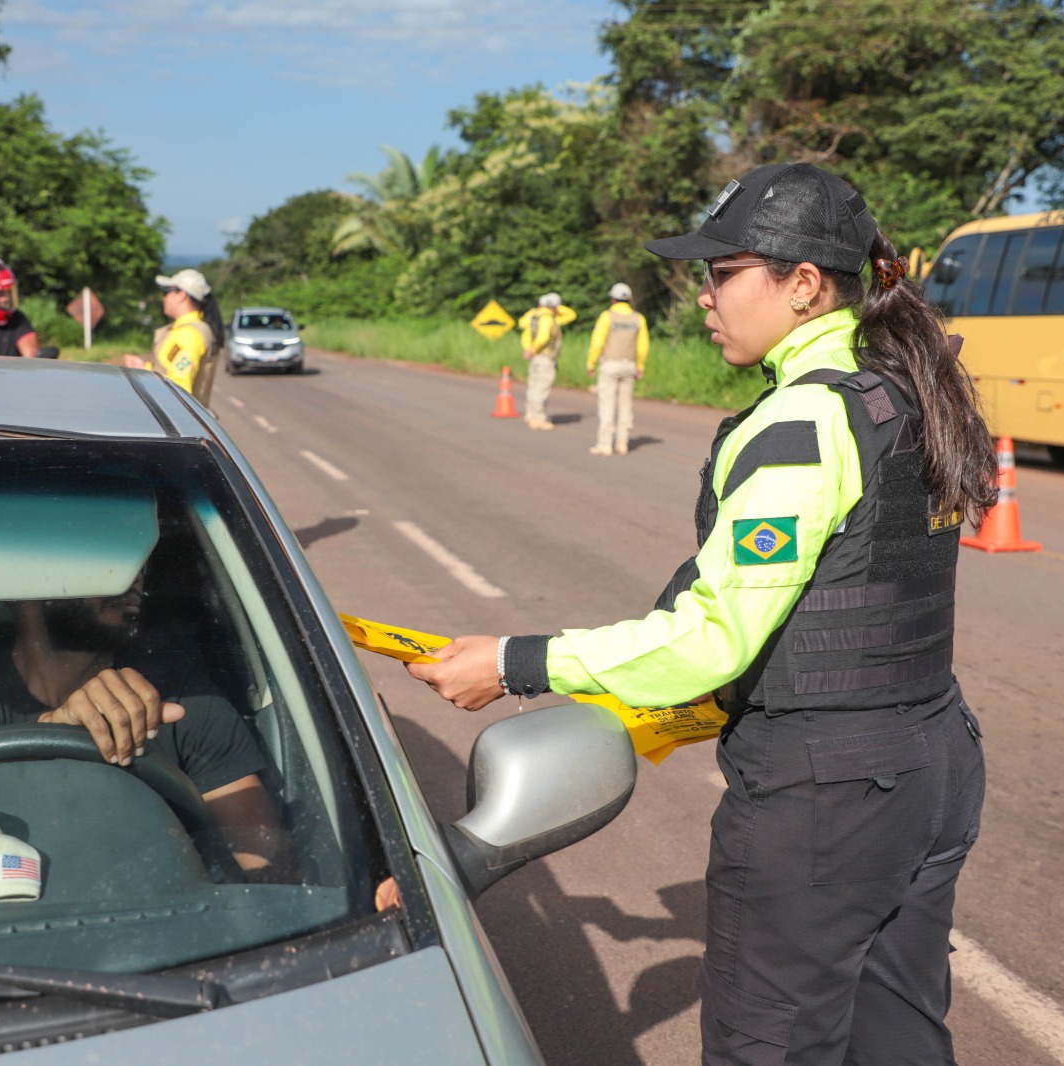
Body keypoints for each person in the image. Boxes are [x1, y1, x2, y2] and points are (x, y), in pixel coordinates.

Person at [407, 163, 997, 1065]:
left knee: (769, 1044)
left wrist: (514, 663)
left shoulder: (801, 424)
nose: (703, 295)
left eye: (724, 271)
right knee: (899, 1036)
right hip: (932, 758)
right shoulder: (905, 390)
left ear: (803, 285)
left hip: (826, 793)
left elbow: (710, 640)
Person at [0, 572, 287, 880]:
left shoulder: (181, 698)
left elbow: (267, 864)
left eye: (135, 563)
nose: (130, 579)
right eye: (102, 563)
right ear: (23, 587)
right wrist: (54, 732)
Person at [144, 269, 225, 406]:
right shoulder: (185, 330)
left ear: (182, 295)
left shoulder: (189, 335)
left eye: (166, 292)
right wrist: (143, 368)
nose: (164, 298)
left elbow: (178, 389)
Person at [586, 282, 649, 455]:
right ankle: (622, 443)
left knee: (607, 405)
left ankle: (605, 445)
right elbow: (643, 345)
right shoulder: (638, 318)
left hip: (610, 365)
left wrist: (591, 362)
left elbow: (598, 341)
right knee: (625, 405)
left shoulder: (607, 316)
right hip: (629, 365)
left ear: (613, 299)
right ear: (628, 299)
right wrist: (641, 365)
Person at [515, 293, 577, 430]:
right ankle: (538, 419)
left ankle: (530, 414)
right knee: (541, 389)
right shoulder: (548, 318)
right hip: (545, 357)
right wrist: (534, 349)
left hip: (535, 357)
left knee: (533, 386)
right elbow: (543, 337)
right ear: (554, 306)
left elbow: (524, 331)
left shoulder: (533, 316)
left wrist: (529, 349)